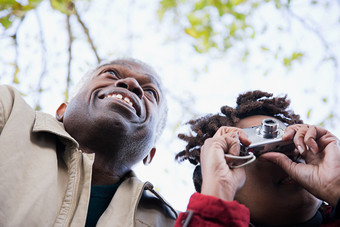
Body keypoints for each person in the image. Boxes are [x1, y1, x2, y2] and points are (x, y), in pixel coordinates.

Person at [0, 58, 178, 226]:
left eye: (150, 92)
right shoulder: (9, 112)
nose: (131, 84)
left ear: (150, 154)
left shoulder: (169, 221)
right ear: (63, 110)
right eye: (112, 74)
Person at [174, 90, 340, 226]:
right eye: (258, 147)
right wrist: (218, 192)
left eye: (291, 141)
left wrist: (335, 187)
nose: (291, 154)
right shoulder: (220, 188)